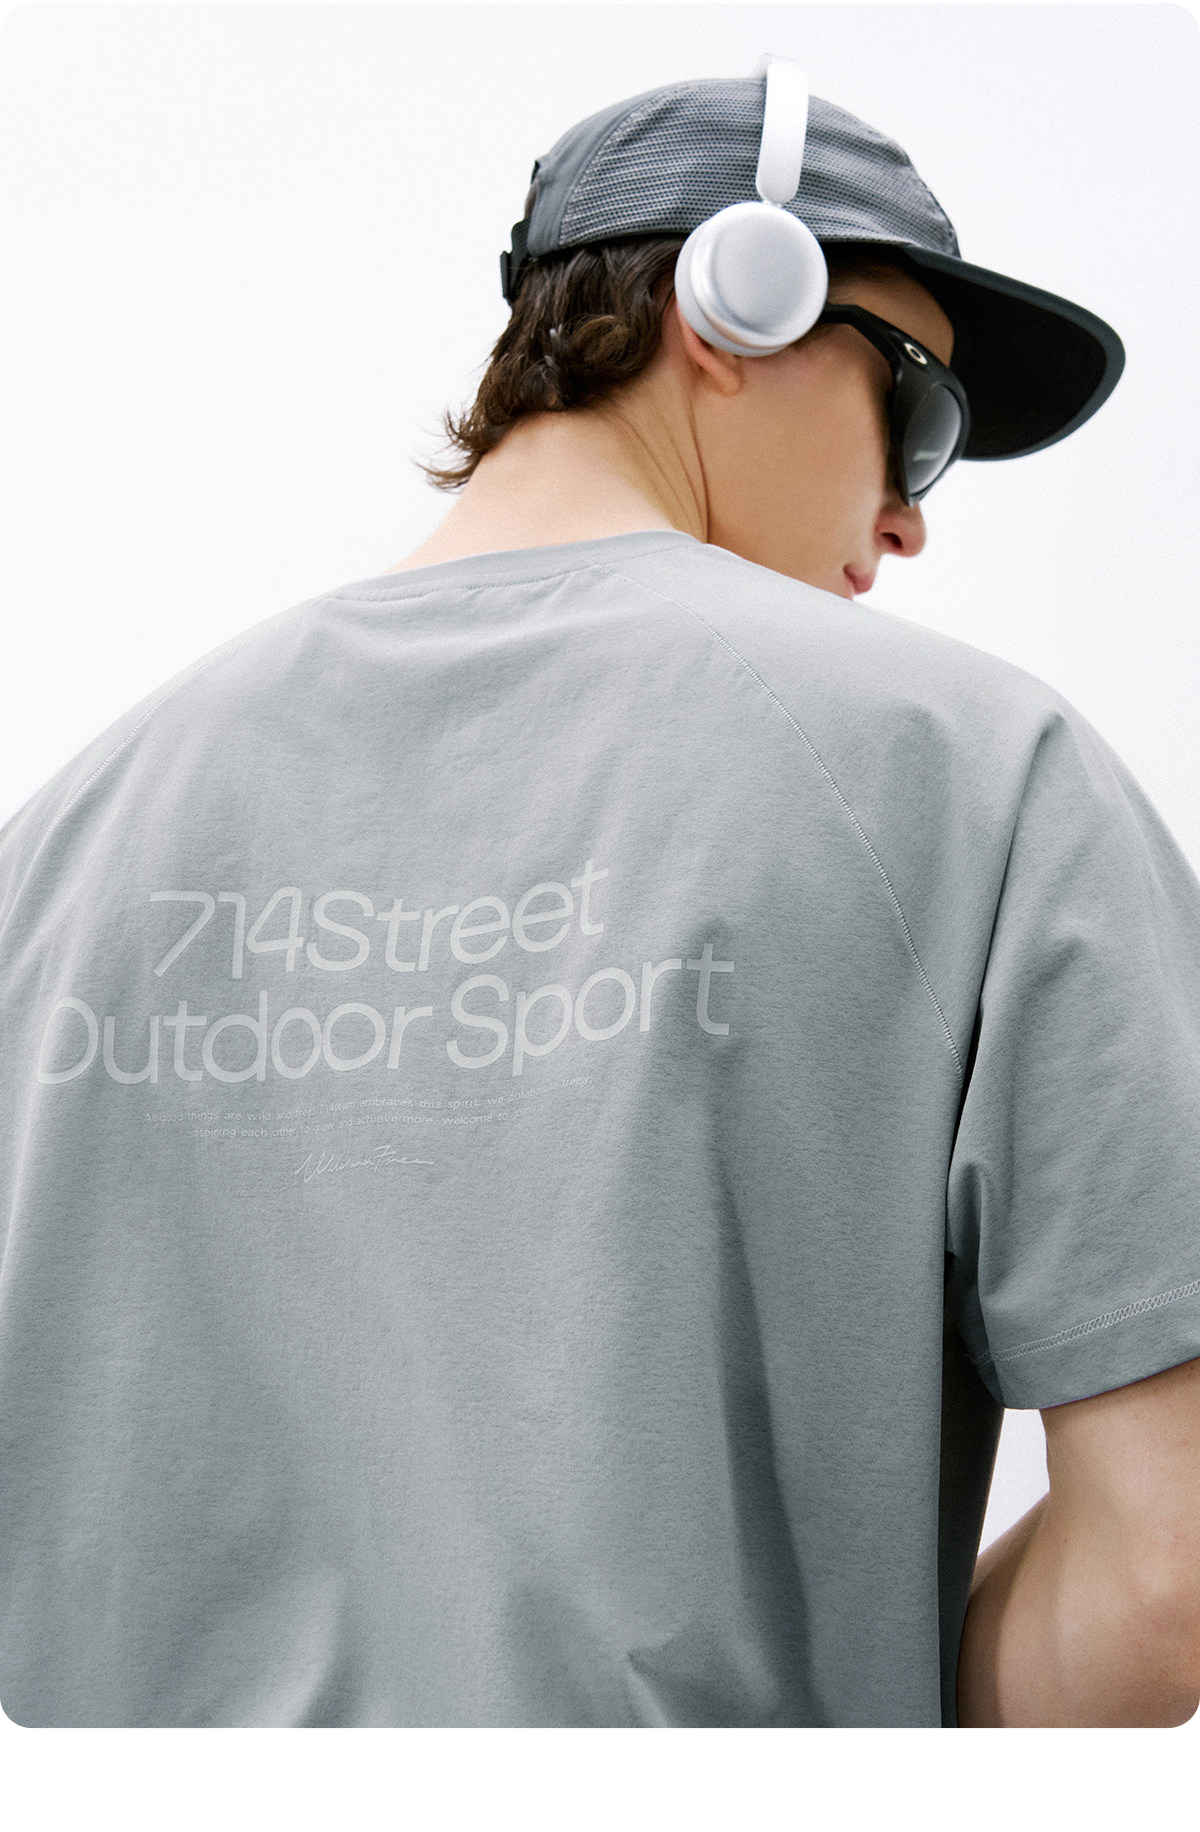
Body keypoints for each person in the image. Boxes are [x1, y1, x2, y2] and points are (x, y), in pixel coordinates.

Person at [0, 58, 1197, 1731]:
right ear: (738, 303)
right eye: (917, 416)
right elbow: (1162, 1580)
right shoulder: (988, 780)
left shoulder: (58, 850)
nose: (908, 521)